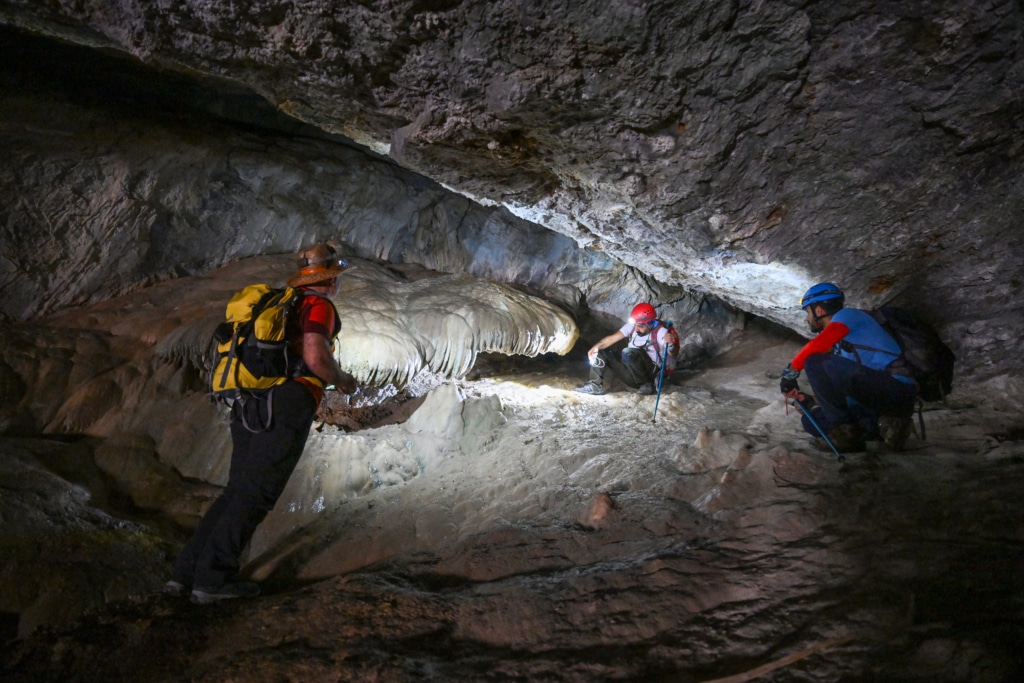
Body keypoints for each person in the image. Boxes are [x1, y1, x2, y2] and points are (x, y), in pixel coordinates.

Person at [166, 244, 358, 603]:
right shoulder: (319, 306)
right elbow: (316, 356)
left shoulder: (282, 303)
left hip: (247, 402)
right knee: (256, 494)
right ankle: (214, 581)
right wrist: (343, 380)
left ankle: (185, 575)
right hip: (286, 402)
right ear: (330, 279)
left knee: (237, 490)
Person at [779, 282, 917, 453]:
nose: (807, 318)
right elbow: (852, 387)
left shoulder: (848, 315)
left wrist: (790, 373)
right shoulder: (840, 347)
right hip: (875, 395)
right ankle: (883, 427)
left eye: (808, 312)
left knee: (814, 361)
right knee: (812, 420)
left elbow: (818, 346)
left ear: (819, 310)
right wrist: (812, 400)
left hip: (896, 389)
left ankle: (848, 435)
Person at [577, 302, 677, 396]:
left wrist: (671, 346)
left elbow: (673, 354)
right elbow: (611, 339)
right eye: (636, 325)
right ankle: (595, 385)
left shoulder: (661, 332)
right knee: (602, 351)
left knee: (628, 352)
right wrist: (595, 347)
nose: (636, 329)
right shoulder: (633, 326)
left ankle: (646, 384)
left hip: (650, 375)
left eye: (641, 326)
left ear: (650, 323)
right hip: (631, 374)